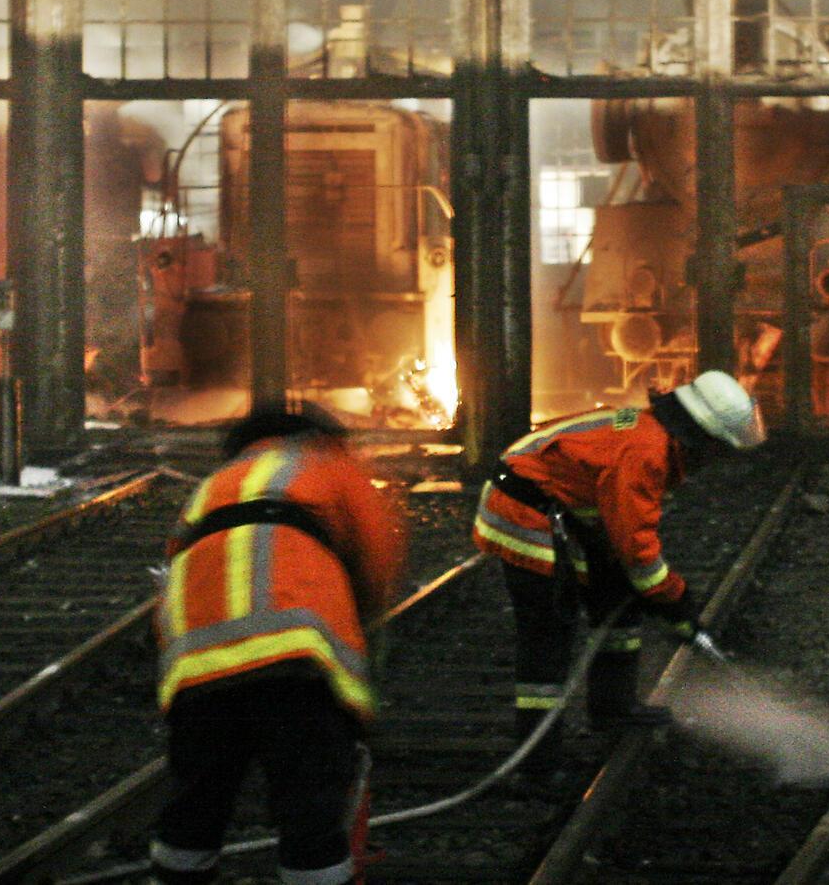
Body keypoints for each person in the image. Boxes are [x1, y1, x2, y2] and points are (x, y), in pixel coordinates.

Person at [148, 406, 407, 885]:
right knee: (309, 805)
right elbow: (376, 557)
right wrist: (362, 630)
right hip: (295, 658)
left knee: (196, 802)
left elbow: (173, 568)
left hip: (197, 660)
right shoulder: (328, 465)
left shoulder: (217, 482)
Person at [471, 370, 766, 769]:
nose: (717, 459)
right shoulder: (645, 453)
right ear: (700, 436)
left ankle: (613, 707)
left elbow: (622, 537)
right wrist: (675, 599)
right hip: (524, 515)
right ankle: (536, 765)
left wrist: (663, 600)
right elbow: (636, 550)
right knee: (549, 635)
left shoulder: (651, 436)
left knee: (618, 598)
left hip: (561, 511)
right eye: (719, 449)